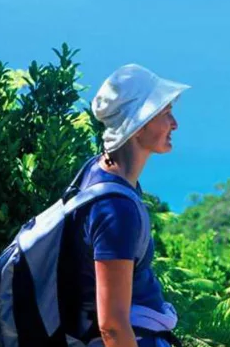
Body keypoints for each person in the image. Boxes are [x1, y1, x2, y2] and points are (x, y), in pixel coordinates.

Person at [62, 64, 189, 347]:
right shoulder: (116, 209)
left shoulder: (97, 170)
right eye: (166, 113)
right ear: (138, 126)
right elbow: (113, 326)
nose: (175, 123)